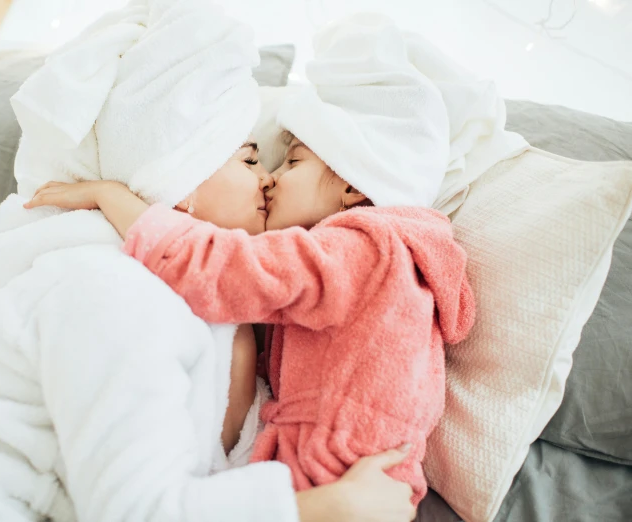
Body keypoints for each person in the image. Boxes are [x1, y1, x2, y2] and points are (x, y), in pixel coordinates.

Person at [24, 12, 475, 509]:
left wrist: (114, 198)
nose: (273, 178)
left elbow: (221, 270)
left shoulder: (362, 250)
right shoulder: (399, 263)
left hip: (330, 472)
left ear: (352, 184)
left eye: (294, 161)